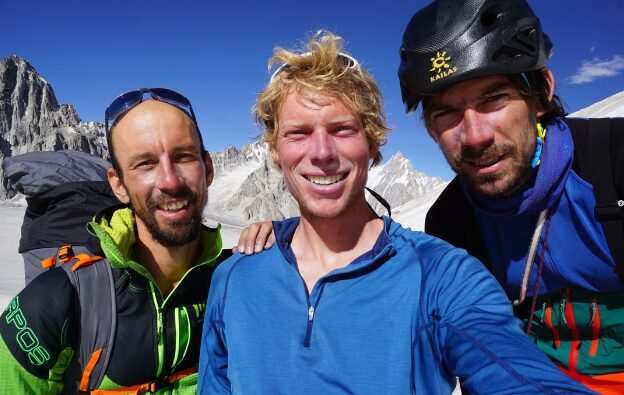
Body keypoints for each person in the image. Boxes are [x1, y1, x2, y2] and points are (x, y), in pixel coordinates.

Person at [198, 31, 593, 394]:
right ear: (274, 150)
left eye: (342, 130)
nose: (321, 153)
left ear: (372, 144)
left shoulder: (442, 275)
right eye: (298, 133)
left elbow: (515, 373)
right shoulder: (235, 276)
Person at [398, 0, 624, 393]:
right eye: (446, 113)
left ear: (541, 94)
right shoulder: (452, 221)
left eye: (493, 99)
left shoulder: (615, 164)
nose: (474, 135)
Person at [0, 88, 269, 394]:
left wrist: (288, 237)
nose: (169, 181)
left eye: (183, 156)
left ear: (208, 168)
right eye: (145, 164)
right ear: (119, 186)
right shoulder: (55, 303)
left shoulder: (235, 282)